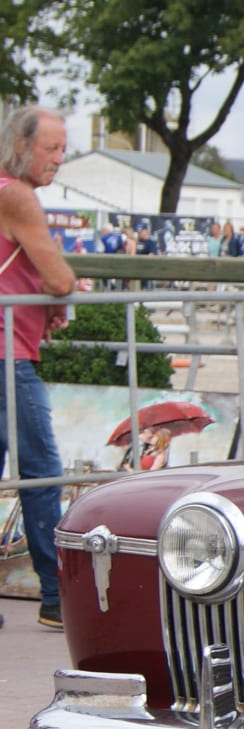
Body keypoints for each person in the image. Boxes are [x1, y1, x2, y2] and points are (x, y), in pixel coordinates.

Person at [0, 105, 77, 630]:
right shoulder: (17, 195)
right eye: (51, 148)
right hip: (9, 356)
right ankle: (55, 596)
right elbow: (59, 277)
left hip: (11, 345)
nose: (59, 159)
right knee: (41, 473)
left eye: (62, 149)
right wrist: (63, 290)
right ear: (22, 146)